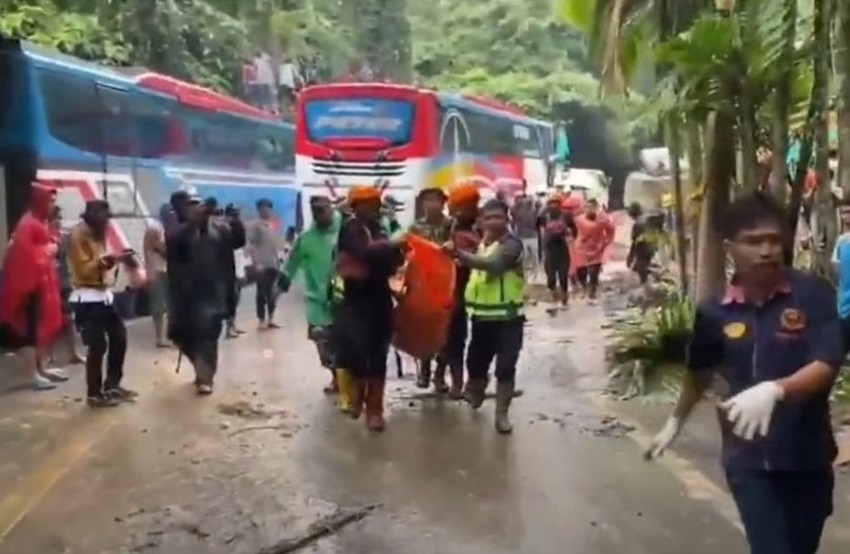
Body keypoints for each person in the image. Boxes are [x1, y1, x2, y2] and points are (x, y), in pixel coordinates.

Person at [645, 192, 843, 554]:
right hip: (748, 461)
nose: (766, 250)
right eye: (753, 242)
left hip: (807, 456)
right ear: (729, 247)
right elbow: (700, 372)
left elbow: (827, 362)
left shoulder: (813, 294)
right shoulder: (715, 311)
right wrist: (674, 422)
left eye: (773, 239)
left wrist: (776, 390)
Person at [444, 199, 524, 434]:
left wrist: (459, 254)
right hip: (481, 318)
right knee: (475, 364)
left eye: (497, 217)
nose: (493, 222)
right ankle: (477, 388)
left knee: (506, 367)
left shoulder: (512, 245)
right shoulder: (481, 244)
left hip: (508, 317)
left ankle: (502, 415)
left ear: (507, 219)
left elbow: (494, 264)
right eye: (488, 218)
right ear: (481, 221)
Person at [334, 186, 406, 431]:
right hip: (355, 299)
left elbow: (395, 262)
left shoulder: (380, 229)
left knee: (378, 354)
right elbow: (366, 253)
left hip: (379, 297)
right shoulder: (352, 229)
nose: (372, 209)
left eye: (375, 205)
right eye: (366, 205)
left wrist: (395, 252)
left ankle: (374, 410)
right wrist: (393, 246)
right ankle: (358, 397)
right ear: (356, 208)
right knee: (356, 350)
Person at [166, 190, 246, 395]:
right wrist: (194, 221)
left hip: (213, 293)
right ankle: (201, 367)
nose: (196, 210)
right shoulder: (175, 231)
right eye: (191, 206)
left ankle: (206, 377)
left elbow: (238, 241)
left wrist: (235, 219)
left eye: (198, 206)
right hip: (185, 296)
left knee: (208, 337)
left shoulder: (221, 229)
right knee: (180, 336)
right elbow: (178, 241)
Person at [67, 200, 136, 407]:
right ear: (92, 215)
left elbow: (101, 263)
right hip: (86, 299)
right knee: (97, 345)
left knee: (119, 337)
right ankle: (94, 394)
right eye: (103, 217)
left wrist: (119, 259)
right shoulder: (79, 235)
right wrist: (111, 260)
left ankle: (112, 385)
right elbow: (85, 269)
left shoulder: (97, 233)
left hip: (102, 296)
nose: (106, 222)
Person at [0, 183, 66, 390]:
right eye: (50, 200)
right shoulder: (29, 224)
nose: (52, 205)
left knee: (39, 328)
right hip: (29, 286)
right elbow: (25, 255)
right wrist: (51, 249)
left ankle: (42, 368)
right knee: (29, 331)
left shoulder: (37, 222)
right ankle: (33, 374)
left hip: (39, 284)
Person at [278, 196, 341, 395]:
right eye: (316, 211)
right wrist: (284, 280)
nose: (321, 215)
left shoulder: (346, 231)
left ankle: (346, 379)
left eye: (324, 209)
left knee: (345, 342)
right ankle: (335, 377)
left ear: (331, 209)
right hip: (317, 300)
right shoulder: (306, 238)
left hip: (343, 299)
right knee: (323, 342)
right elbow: (292, 261)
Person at [408, 187, 452, 391]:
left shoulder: (450, 226)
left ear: (443, 203)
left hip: (447, 282)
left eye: (435, 200)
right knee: (425, 328)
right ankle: (424, 370)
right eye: (427, 201)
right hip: (424, 283)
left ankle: (440, 374)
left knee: (447, 331)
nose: (431, 205)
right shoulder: (415, 228)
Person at [444, 183, 482, 399]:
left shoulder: (484, 226)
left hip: (481, 293)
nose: (469, 210)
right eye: (464, 206)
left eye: (472, 205)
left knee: (478, 341)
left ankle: (474, 382)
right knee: (454, 339)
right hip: (454, 291)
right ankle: (456, 382)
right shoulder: (447, 229)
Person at [47, 206, 84, 369]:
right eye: (56, 218)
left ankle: (72, 353)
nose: (59, 221)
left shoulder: (63, 236)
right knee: (48, 320)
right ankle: (49, 355)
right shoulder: (44, 237)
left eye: (60, 217)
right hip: (48, 283)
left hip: (63, 282)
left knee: (69, 318)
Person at [539, 194, 577, 310]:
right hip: (549, 250)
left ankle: (564, 301)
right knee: (550, 278)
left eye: (556, 203)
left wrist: (572, 238)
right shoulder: (544, 216)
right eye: (551, 203)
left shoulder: (566, 216)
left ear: (560, 205)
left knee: (563, 276)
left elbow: (575, 229)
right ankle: (555, 298)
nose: (554, 205)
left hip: (562, 249)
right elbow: (538, 227)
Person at [247, 198, 281, 329]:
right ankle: (261, 319)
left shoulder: (273, 224)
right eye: (264, 208)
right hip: (261, 263)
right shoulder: (255, 225)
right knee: (261, 293)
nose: (267, 210)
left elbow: (277, 242)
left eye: (269, 207)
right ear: (259, 209)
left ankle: (271, 318)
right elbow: (251, 244)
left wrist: (279, 258)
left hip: (273, 263)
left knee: (272, 293)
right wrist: (255, 262)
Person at [573, 198, 614, 303]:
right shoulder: (578, 219)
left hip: (597, 250)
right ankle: (584, 287)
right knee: (581, 272)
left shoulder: (602, 220)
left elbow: (611, 230)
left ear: (596, 208)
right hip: (582, 250)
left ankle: (592, 294)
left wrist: (606, 242)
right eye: (587, 207)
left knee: (593, 273)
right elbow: (573, 231)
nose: (589, 210)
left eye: (591, 207)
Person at [144, 204, 171, 347]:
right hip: (157, 271)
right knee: (158, 307)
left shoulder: (163, 228)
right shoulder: (155, 229)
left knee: (165, 305)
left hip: (163, 270)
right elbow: (164, 251)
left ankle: (164, 336)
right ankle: (159, 338)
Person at [225, 203, 248, 338]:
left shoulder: (233, 225)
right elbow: (241, 242)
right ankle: (229, 327)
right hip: (232, 263)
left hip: (237, 261)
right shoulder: (232, 226)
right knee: (233, 297)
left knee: (236, 296)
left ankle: (232, 324)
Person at [626, 202, 655, 285]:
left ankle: (645, 285)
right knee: (642, 267)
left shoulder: (638, 224)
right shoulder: (647, 219)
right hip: (650, 248)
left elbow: (635, 242)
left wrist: (631, 255)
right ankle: (648, 279)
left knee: (641, 269)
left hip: (643, 250)